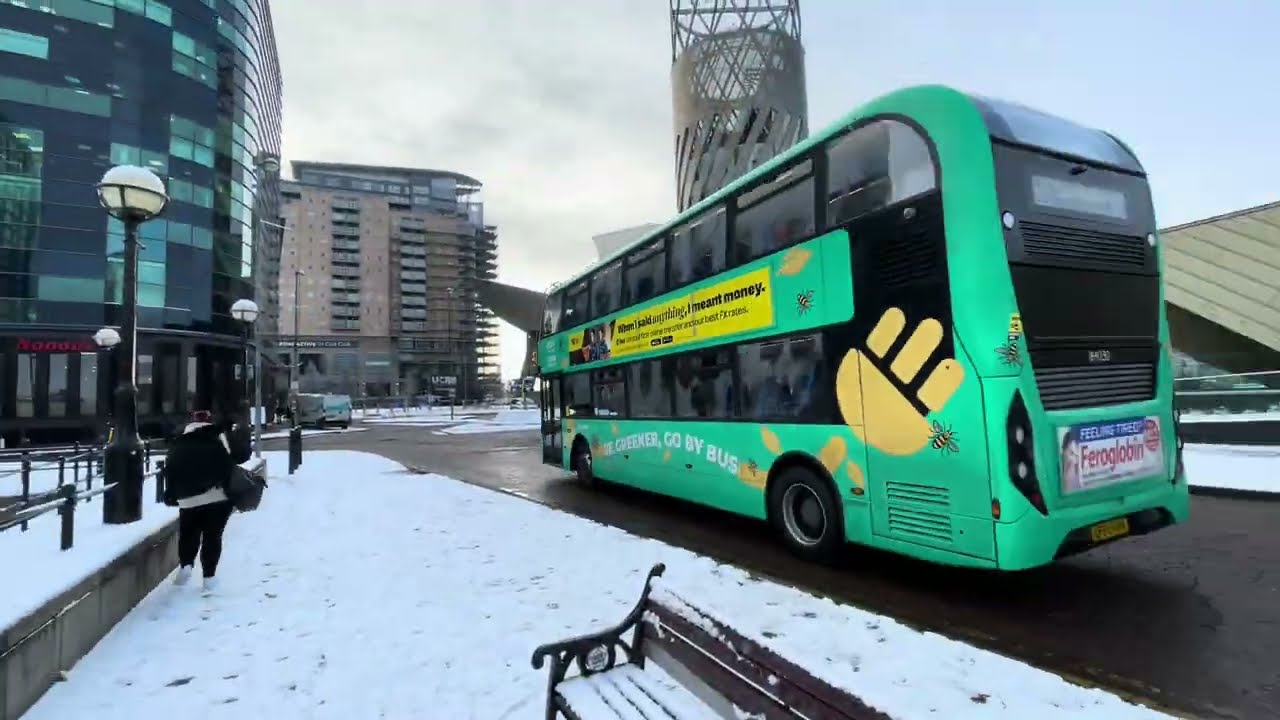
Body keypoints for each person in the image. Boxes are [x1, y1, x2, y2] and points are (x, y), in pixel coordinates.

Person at [163, 410, 238, 593]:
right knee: (213, 536)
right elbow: (228, 464)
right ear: (209, 421)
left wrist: (173, 495)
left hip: (187, 499)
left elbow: (170, 470)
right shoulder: (217, 437)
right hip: (216, 497)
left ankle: (186, 565)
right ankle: (209, 577)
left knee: (188, 533)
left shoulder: (178, 442)